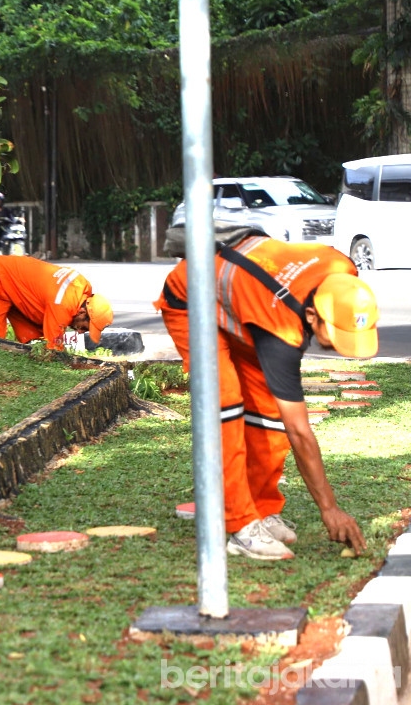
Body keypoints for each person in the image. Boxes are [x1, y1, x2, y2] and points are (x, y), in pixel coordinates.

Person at [155, 229, 377, 560]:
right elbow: (300, 433)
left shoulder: (343, 271)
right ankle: (241, 525)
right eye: (334, 336)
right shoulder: (282, 333)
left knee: (269, 414)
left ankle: (260, 508)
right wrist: (329, 508)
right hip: (192, 297)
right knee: (225, 405)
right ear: (312, 316)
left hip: (248, 305)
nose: (337, 348)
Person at [0, 255, 113, 350]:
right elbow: (54, 350)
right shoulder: (62, 306)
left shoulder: (81, 286)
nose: (80, 332)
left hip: (17, 287)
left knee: (34, 342)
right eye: (84, 327)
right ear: (82, 311)